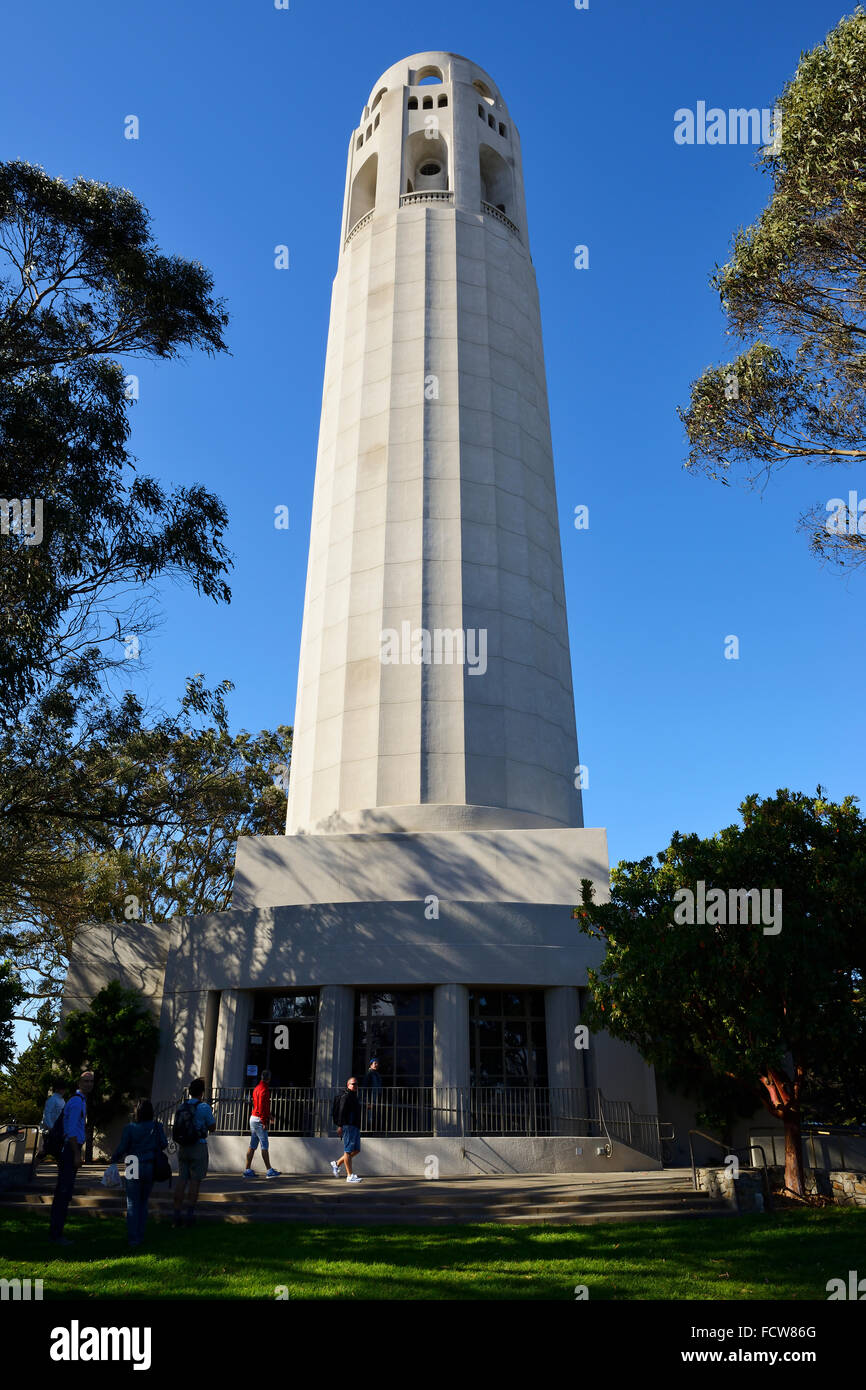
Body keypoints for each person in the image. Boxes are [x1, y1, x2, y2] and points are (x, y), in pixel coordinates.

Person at [111, 1099, 168, 1249]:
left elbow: (123, 1146)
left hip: (133, 1163)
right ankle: (140, 1234)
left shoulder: (129, 1128)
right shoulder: (157, 1126)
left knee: (132, 1202)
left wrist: (114, 1158)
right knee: (143, 1202)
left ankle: (133, 1238)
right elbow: (163, 1144)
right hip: (150, 1164)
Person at [49, 1071, 94, 1246]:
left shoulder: (81, 1101)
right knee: (64, 1191)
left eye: (91, 1081)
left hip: (72, 1148)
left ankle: (56, 1231)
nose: (89, 1084)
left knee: (65, 1191)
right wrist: (76, 1153)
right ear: (79, 1082)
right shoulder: (76, 1102)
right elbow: (71, 1131)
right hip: (70, 1149)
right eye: (86, 1081)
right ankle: (56, 1233)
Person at [172, 1077, 216, 1228]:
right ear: (201, 1093)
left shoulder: (182, 1106)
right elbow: (212, 1127)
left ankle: (176, 1215)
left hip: (184, 1146)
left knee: (182, 1180)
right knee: (195, 1181)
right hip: (198, 1145)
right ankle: (189, 1215)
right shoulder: (204, 1107)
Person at [244, 1069, 280, 1178]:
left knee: (252, 1145)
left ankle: (247, 1170)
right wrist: (265, 1121)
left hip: (253, 1118)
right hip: (259, 1119)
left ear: (261, 1077)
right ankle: (269, 1170)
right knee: (264, 1145)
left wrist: (268, 1116)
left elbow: (258, 1106)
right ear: (268, 1078)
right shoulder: (265, 1090)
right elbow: (262, 1107)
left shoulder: (256, 1088)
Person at [330, 1077, 363, 1183]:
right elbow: (341, 1111)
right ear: (348, 1085)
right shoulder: (346, 1096)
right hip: (348, 1126)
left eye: (357, 1084)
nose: (355, 1086)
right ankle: (349, 1176)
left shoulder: (354, 1097)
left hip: (355, 1126)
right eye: (353, 1084)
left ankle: (337, 1163)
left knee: (356, 1149)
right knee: (348, 1151)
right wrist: (340, 1126)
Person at [34, 1083, 65, 1167]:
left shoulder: (62, 1100)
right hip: (49, 1131)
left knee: (56, 1152)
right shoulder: (52, 1100)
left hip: (57, 1130)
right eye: (63, 1089)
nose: (64, 1091)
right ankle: (30, 1170)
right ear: (58, 1089)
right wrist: (51, 1127)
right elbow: (46, 1115)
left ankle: (30, 1170)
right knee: (44, 1152)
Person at [364, 1058, 383, 1129]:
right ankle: (369, 1132)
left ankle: (373, 1131)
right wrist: (367, 1101)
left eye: (377, 1063)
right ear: (371, 1065)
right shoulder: (369, 1074)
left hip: (376, 1099)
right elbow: (365, 1087)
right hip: (370, 1099)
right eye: (375, 1063)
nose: (376, 1065)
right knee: (370, 1117)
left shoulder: (376, 1075)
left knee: (375, 1116)